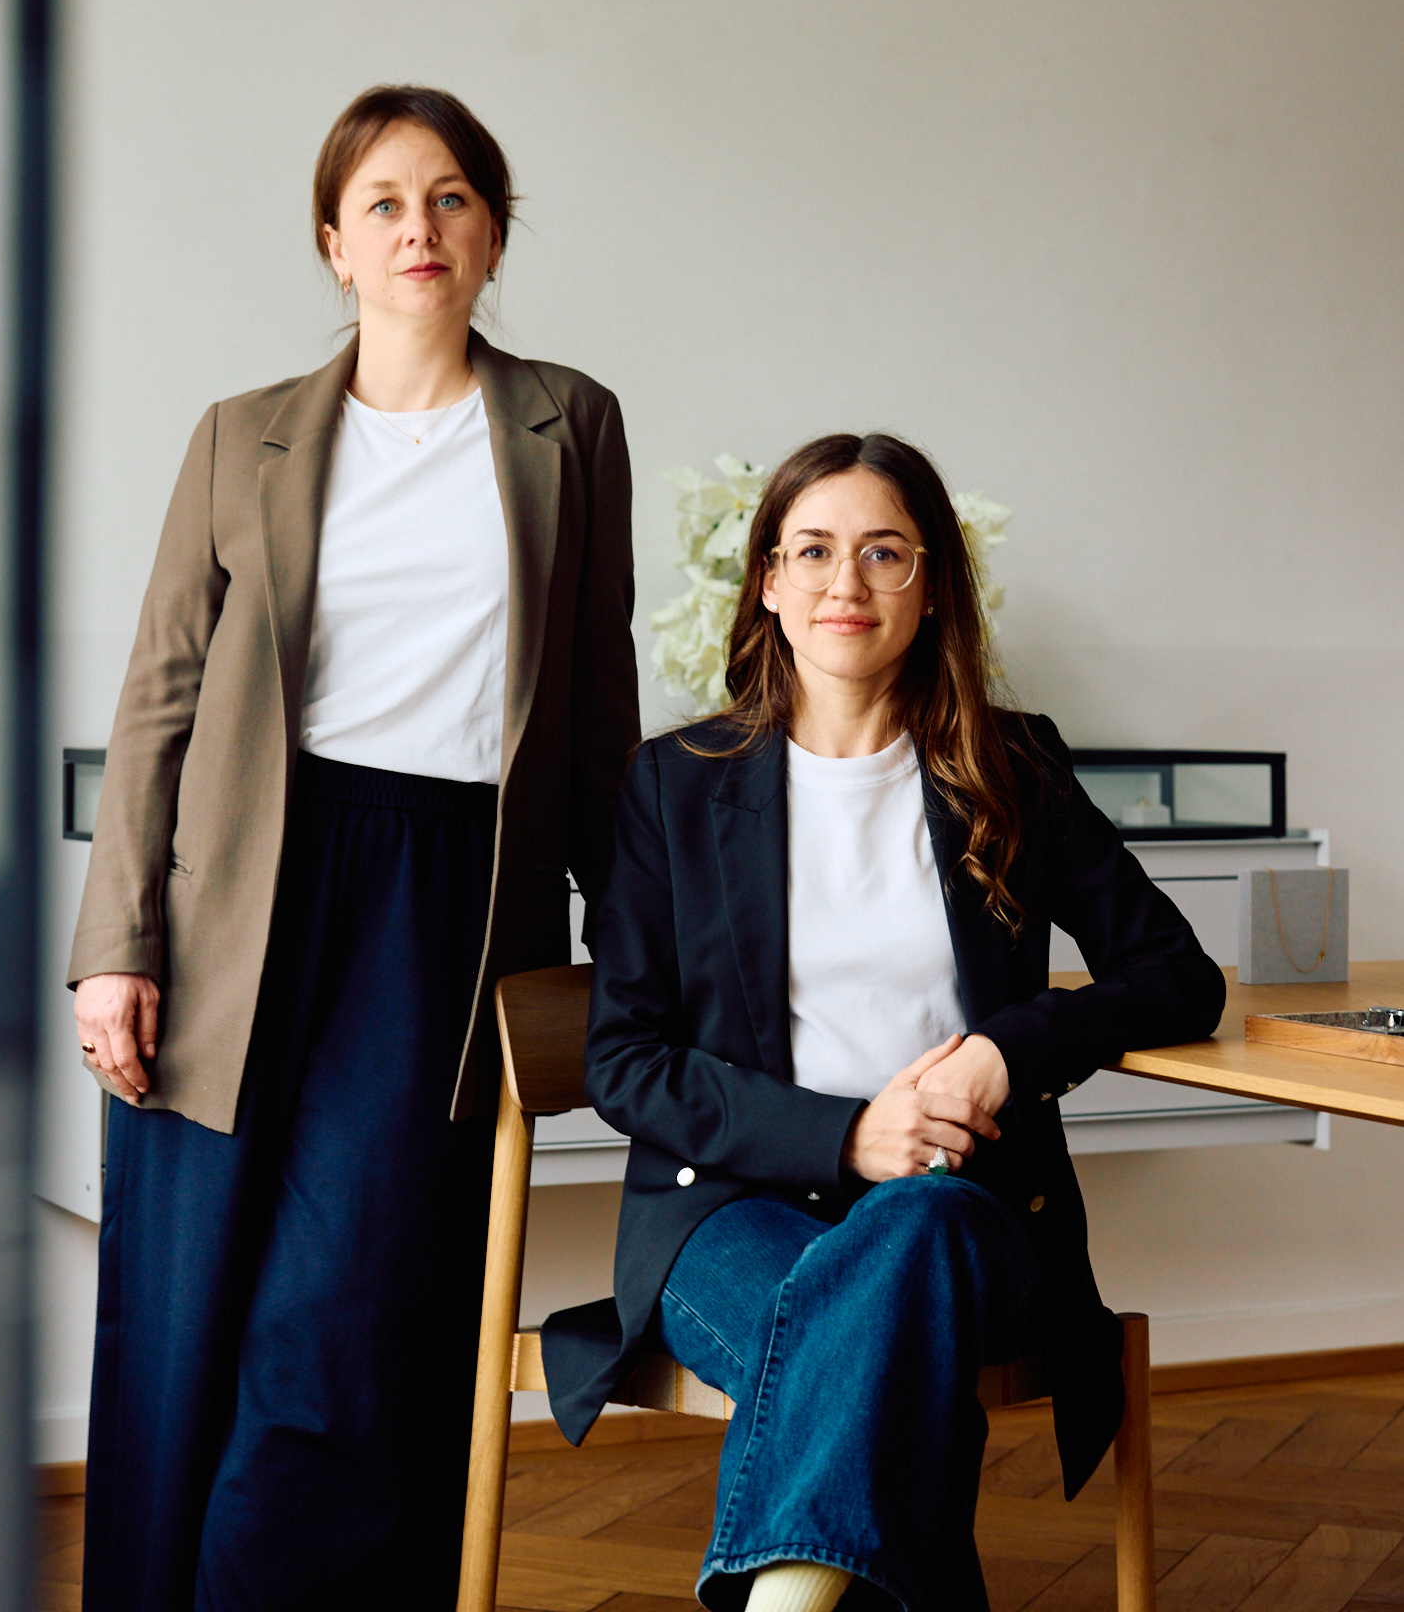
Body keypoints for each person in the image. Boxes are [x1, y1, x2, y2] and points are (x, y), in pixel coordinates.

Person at [68, 84, 639, 1612]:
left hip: (443, 908)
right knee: (187, 1303)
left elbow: (593, 705)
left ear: (494, 232)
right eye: (383, 202)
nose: (419, 228)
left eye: (451, 197)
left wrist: (644, 937)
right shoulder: (238, 434)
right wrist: (115, 943)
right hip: (237, 892)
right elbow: (159, 701)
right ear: (333, 242)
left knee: (354, 1309)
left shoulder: (566, 423)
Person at [541, 431, 1224, 1612]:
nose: (843, 584)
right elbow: (627, 1060)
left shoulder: (1011, 766)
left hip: (966, 1211)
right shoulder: (675, 784)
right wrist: (848, 1134)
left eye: (884, 553)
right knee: (888, 1340)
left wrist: (1011, 1051)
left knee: (907, 1254)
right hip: (729, 1209)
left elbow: (1177, 972)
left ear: (933, 583)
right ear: (766, 578)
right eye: (811, 550)